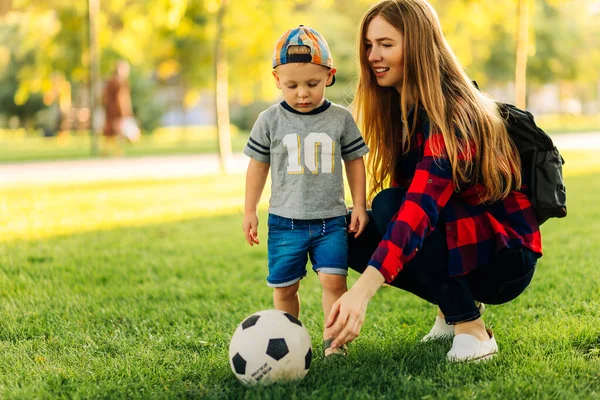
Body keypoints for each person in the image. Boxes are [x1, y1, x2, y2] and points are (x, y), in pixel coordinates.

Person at [325, 0, 542, 362]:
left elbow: (420, 209)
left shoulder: (454, 110)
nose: (372, 55)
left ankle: (471, 328)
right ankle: (450, 309)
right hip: (464, 244)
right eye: (368, 45)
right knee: (346, 231)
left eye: (386, 44)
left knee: (390, 205)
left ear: (419, 45)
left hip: (505, 258)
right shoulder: (404, 109)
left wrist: (361, 292)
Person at [242, 25, 370, 357]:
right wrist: (249, 210)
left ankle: (334, 343)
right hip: (286, 222)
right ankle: (288, 344)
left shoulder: (340, 119)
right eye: (292, 85)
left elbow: (355, 161)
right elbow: (257, 166)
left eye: (312, 84)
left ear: (329, 76)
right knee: (285, 288)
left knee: (334, 284)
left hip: (330, 221)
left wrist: (359, 204)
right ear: (276, 79)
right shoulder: (269, 120)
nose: (302, 93)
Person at [102, 60, 135, 155]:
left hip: (111, 110)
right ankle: (117, 151)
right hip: (117, 110)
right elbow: (121, 99)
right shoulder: (119, 83)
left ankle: (108, 150)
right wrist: (124, 111)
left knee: (111, 131)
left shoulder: (111, 81)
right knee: (118, 131)